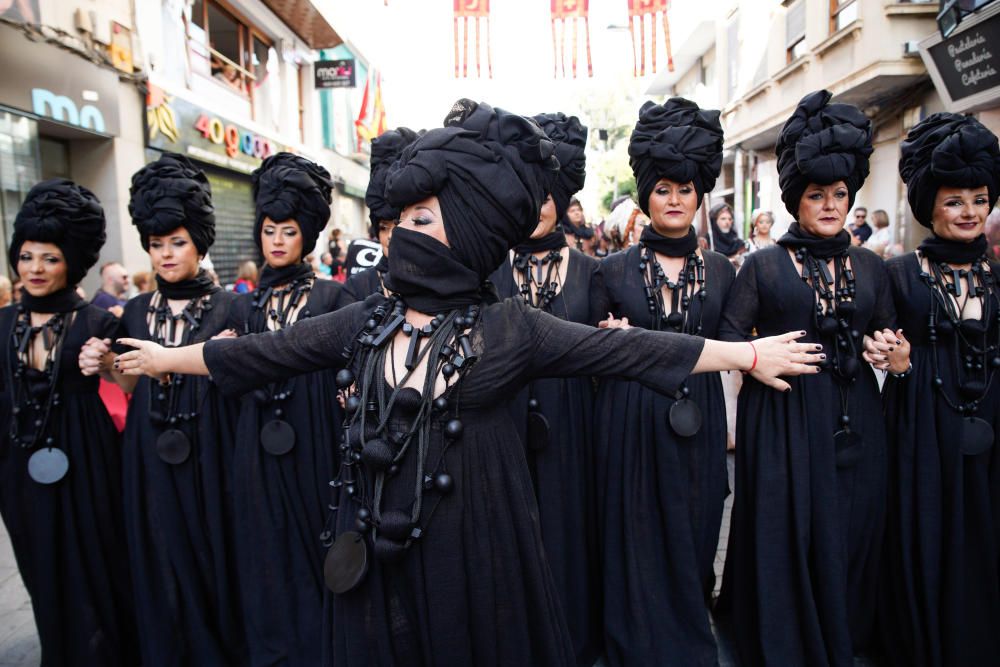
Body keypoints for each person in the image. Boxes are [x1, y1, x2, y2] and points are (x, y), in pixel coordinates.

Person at [112, 102, 823, 667]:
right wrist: (162, 360)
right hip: (375, 548)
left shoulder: (511, 327)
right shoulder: (369, 316)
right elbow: (266, 353)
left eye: (420, 220)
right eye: (398, 222)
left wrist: (744, 355)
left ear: (464, 230)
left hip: (477, 553)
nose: (399, 235)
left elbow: (632, 352)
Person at [715, 90, 906, 666]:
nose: (829, 205)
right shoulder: (764, 264)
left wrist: (894, 356)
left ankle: (843, 635)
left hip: (858, 424)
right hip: (783, 422)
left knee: (853, 531)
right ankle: (788, 640)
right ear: (796, 198)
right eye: (816, 194)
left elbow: (891, 337)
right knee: (787, 535)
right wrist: (757, 352)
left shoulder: (873, 266)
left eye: (839, 194)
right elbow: (728, 339)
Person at [78, 152, 245, 666]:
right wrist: (106, 365)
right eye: (156, 245)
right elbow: (127, 382)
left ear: (199, 243)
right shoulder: (131, 310)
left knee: (212, 556)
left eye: (178, 243)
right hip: (148, 454)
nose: (166, 255)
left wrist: (226, 354)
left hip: (212, 450)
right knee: (159, 554)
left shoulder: (232, 306)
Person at [590, 98, 732, 666]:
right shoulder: (612, 270)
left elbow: (733, 349)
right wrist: (612, 339)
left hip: (699, 418)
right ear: (646, 195)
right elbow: (590, 353)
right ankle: (634, 642)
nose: (674, 200)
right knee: (636, 532)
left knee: (696, 529)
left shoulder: (723, 271)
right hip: (630, 419)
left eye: (685, 190)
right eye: (662, 190)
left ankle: (688, 637)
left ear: (699, 196)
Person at [879, 112, 1000, 666]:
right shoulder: (900, 274)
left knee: (985, 530)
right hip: (922, 419)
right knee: (926, 528)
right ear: (929, 205)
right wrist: (898, 362)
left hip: (991, 421)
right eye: (955, 201)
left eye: (979, 198)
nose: (970, 212)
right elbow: (876, 349)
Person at [2, 180, 138, 664]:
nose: (35, 269)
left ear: (71, 263)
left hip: (90, 463)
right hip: (20, 470)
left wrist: (107, 365)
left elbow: (132, 392)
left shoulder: (99, 322)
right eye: (26, 256)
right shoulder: (2, 325)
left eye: (50, 258)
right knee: (40, 571)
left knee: (97, 568)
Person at [486, 109, 601, 666]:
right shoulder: (489, 273)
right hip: (504, 424)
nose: (536, 208)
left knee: (568, 533)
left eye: (546, 196)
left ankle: (574, 640)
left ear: (559, 199)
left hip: (575, 424)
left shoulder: (592, 273)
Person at [225, 152, 343, 665]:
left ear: (306, 237)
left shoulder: (334, 297)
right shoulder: (238, 306)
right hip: (257, 446)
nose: (275, 240)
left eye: (288, 230)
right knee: (265, 553)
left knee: (321, 552)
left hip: (317, 439)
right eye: (269, 229)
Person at [337, 127, 420, 308]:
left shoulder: (440, 284)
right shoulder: (357, 286)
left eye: (397, 225)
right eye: (383, 227)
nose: (390, 235)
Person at [709, 202, 747, 268]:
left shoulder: (739, 243)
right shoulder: (707, 241)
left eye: (730, 219)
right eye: (723, 219)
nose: (727, 222)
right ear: (715, 221)